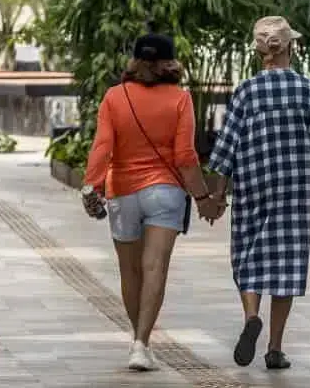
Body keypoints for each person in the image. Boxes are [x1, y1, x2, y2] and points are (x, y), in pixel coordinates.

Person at [208, 16, 310, 370]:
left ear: (259, 52)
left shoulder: (246, 91)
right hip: (295, 187)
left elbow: (227, 148)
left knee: (246, 251)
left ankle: (250, 316)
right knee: (287, 261)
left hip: (252, 183)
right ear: (290, 47)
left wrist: (216, 195)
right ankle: (274, 348)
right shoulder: (308, 89)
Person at [83, 33, 223, 371]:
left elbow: (103, 146)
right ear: (170, 62)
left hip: (122, 191)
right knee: (154, 268)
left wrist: (92, 184)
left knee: (129, 272)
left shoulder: (115, 97)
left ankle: (137, 341)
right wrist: (203, 197)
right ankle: (142, 344)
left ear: (135, 60)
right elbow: (186, 156)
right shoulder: (180, 98)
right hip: (165, 193)